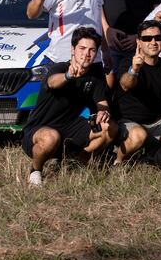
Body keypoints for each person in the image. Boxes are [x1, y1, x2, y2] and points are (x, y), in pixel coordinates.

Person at [21, 27, 117, 186]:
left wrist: (103, 113)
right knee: (51, 138)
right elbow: (53, 82)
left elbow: (103, 104)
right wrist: (68, 76)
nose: (86, 54)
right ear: (72, 50)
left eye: (92, 50)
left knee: (110, 127)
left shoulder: (95, 74)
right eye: (82, 48)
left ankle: (79, 160)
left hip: (70, 128)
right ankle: (35, 170)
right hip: (39, 129)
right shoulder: (59, 68)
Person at [114, 20, 161, 164]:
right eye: (147, 38)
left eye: (157, 38)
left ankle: (147, 155)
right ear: (139, 42)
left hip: (157, 123)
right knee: (138, 135)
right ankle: (117, 161)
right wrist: (135, 69)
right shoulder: (128, 63)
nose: (153, 42)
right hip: (128, 122)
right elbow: (125, 85)